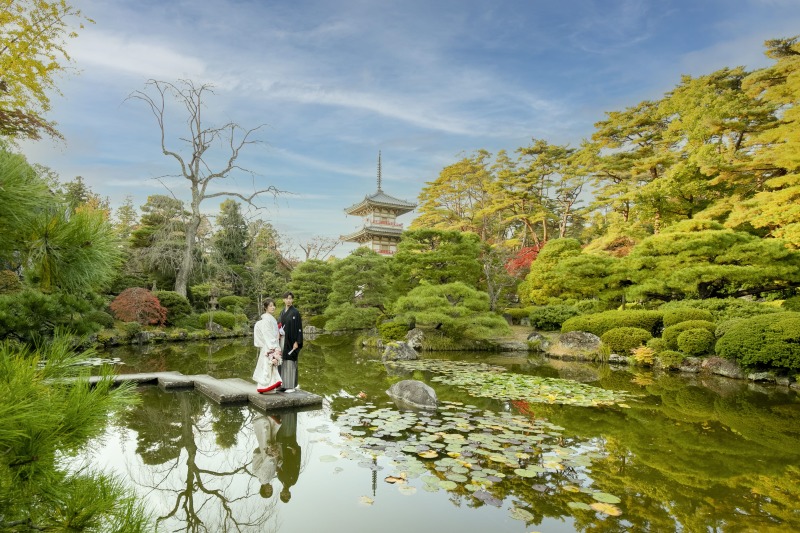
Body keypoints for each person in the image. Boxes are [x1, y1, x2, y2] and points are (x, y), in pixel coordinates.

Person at [252, 299, 282, 394]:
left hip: (272, 344)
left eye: (273, 305)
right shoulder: (266, 320)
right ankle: (265, 387)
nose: (273, 307)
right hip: (269, 346)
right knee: (267, 366)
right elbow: (267, 335)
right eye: (270, 306)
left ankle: (269, 387)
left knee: (270, 366)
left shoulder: (270, 319)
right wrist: (273, 348)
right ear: (265, 307)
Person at [278, 291, 303, 393]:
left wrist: (297, 341)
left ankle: (291, 386)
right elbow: (279, 324)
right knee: (281, 361)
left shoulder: (295, 312)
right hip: (283, 339)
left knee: (290, 361)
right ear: (283, 300)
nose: (289, 300)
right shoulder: (282, 312)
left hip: (291, 341)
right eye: (287, 298)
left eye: (290, 298)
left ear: (292, 300)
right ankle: (282, 384)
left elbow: (299, 328)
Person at [251, 415, 281, 498]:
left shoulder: (265, 479)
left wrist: (271, 455)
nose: (270, 490)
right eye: (271, 491)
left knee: (266, 438)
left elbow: (267, 465)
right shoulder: (265, 478)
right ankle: (266, 421)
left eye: (267, 491)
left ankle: (263, 420)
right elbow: (272, 466)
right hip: (263, 456)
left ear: (263, 489)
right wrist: (278, 464)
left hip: (266, 456)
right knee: (269, 437)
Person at [276, 411, 301, 503]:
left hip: (282, 450)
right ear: (290, 493)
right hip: (290, 451)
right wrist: (296, 453)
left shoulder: (280, 479)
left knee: (280, 429)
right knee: (289, 429)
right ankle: (290, 410)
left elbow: (278, 466)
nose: (286, 494)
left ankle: (281, 411)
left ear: (281, 493)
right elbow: (297, 466)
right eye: (288, 495)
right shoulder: (293, 481)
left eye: (284, 495)